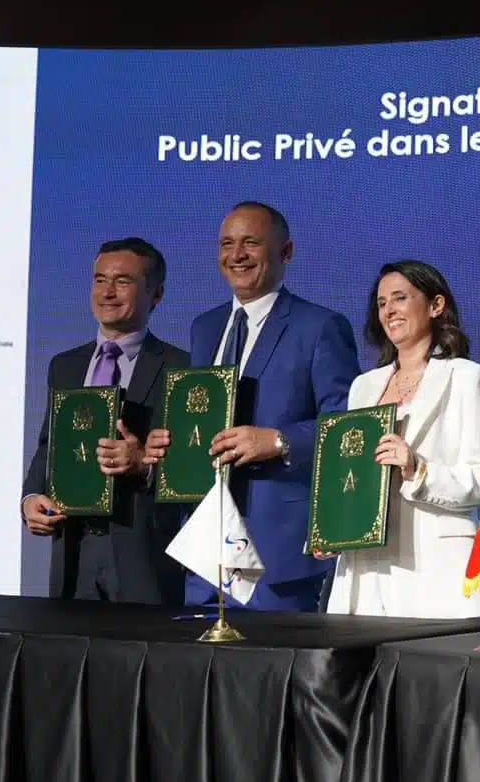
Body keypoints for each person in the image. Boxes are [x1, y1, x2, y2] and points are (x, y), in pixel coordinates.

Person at [144, 202, 358, 612]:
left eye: (251, 243)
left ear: (285, 252)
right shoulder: (205, 327)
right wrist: (168, 444)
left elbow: (347, 425)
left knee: (272, 655)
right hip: (205, 545)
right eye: (227, 244)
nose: (237, 255)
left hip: (276, 549)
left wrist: (278, 440)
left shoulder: (319, 327)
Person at [20, 237, 191, 604]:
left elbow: (193, 467)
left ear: (156, 294)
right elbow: (49, 446)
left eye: (122, 281)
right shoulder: (64, 365)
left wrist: (144, 464)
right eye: (100, 280)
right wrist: (31, 497)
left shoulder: (181, 367)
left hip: (143, 555)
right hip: (72, 549)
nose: (107, 292)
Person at [323, 261, 480, 619]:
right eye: (382, 303)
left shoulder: (468, 378)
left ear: (436, 306)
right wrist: (332, 526)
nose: (389, 311)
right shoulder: (364, 386)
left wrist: (419, 469)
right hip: (365, 563)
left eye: (400, 298)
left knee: (428, 655)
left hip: (435, 562)